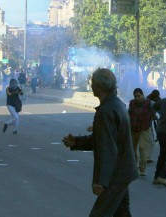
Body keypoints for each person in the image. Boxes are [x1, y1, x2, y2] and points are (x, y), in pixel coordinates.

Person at [62, 68, 138, 217]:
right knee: (121, 213)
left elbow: (107, 148)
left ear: (99, 86)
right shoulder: (117, 105)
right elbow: (102, 139)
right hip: (124, 170)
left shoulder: (106, 111)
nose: (91, 86)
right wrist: (76, 142)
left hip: (116, 174)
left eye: (92, 83)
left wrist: (100, 180)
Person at [128, 88, 155, 176]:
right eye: (135, 96)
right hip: (134, 129)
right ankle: (134, 166)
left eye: (139, 96)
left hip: (144, 129)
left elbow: (156, 111)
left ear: (142, 95)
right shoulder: (132, 103)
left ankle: (142, 169)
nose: (137, 98)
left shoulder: (149, 103)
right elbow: (129, 114)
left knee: (142, 148)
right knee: (133, 149)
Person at [146, 89, 161, 163]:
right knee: (150, 140)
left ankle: (147, 157)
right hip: (146, 123)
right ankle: (146, 157)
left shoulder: (149, 100)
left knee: (149, 140)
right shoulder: (149, 102)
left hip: (148, 122)